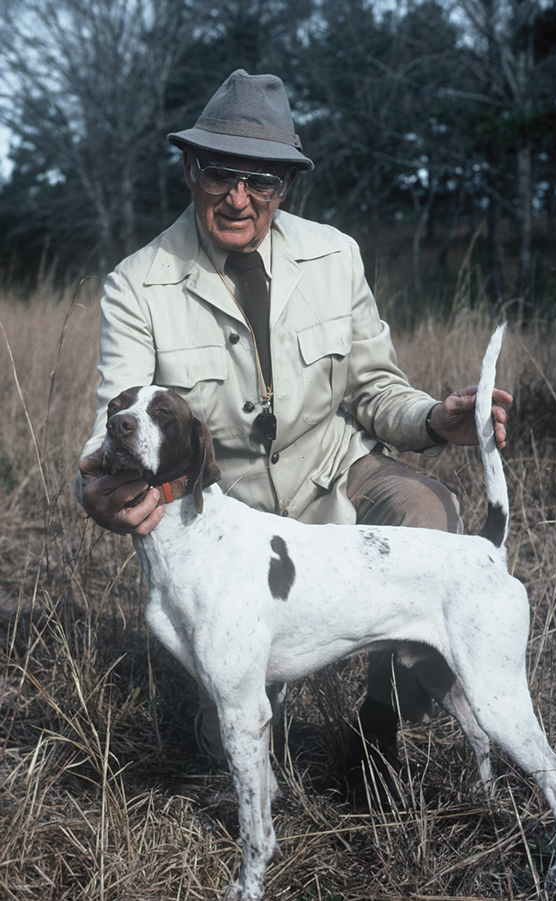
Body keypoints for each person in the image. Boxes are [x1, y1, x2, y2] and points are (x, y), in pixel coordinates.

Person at [77, 69, 511, 807]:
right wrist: (101, 491)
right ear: (191, 168)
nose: (239, 197)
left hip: (334, 475)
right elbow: (108, 434)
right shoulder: (135, 282)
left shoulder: (336, 255)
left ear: (285, 185)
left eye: (263, 180)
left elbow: (377, 391)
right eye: (220, 172)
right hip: (231, 528)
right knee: (235, 738)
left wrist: (438, 417)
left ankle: (377, 732)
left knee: (429, 513)